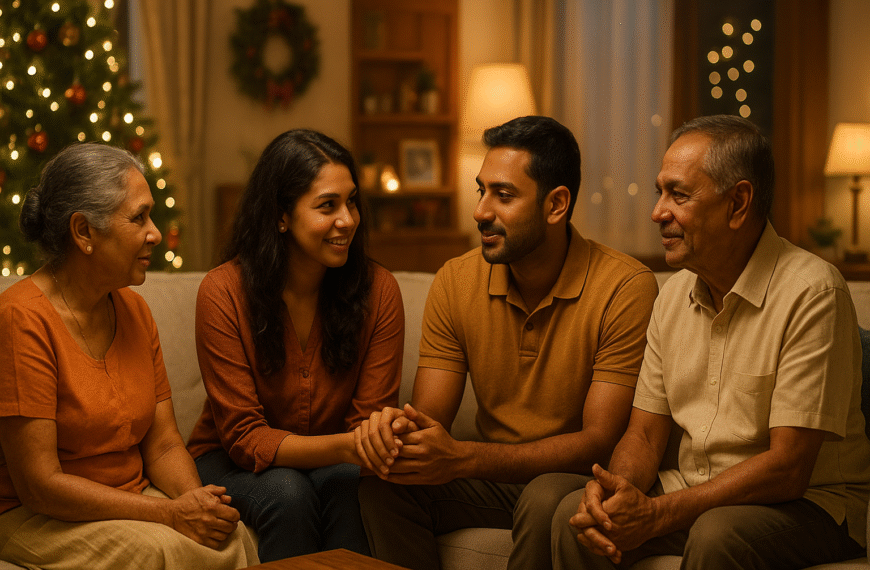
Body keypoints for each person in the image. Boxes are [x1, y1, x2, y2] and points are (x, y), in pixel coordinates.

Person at [554, 114, 870, 570]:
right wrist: (618, 491)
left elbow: (788, 469)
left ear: (738, 203)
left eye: (678, 195)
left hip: (812, 504)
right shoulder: (672, 296)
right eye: (660, 191)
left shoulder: (814, 292)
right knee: (577, 517)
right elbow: (644, 434)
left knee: (718, 535)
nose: (657, 211)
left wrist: (658, 514)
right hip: (696, 489)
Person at [354, 115, 659, 570]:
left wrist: (464, 458)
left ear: (556, 205)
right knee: (385, 485)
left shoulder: (624, 287)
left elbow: (599, 442)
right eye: (482, 191)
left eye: (504, 195)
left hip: (571, 481)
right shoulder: (456, 280)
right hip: (493, 480)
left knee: (541, 496)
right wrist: (396, 435)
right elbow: (429, 418)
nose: (480, 212)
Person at [0, 143, 258, 569]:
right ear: (83, 232)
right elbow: (40, 485)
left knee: (231, 538)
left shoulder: (135, 309)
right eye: (139, 218)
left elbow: (163, 445)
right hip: (37, 515)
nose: (156, 232)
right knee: (164, 550)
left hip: (131, 499)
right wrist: (169, 514)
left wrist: (195, 502)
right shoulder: (21, 319)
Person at [186, 129, 404, 563]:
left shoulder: (379, 291)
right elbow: (245, 438)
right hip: (230, 459)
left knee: (351, 489)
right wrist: (347, 446)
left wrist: (365, 443)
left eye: (352, 202)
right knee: (289, 492)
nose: (348, 220)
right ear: (281, 215)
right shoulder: (223, 292)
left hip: (338, 463)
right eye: (328, 206)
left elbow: (369, 421)